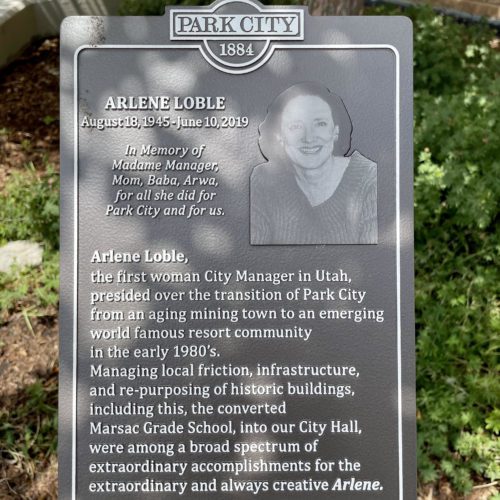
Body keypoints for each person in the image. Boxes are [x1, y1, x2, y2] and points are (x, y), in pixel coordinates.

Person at [250, 82, 377, 245]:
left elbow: (376, 262)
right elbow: (253, 263)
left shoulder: (369, 179)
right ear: (280, 136)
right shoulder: (263, 182)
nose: (309, 137)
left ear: (335, 131)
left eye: (320, 124)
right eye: (295, 126)